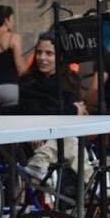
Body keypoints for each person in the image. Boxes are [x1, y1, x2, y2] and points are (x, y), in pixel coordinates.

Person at [19, 32, 93, 182]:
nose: (42, 58)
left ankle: (40, 161)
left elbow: (69, 117)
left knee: (69, 139)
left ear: (59, 56)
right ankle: (93, 183)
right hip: (34, 135)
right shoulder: (28, 81)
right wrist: (70, 111)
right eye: (39, 52)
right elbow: (32, 112)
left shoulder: (70, 80)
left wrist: (66, 113)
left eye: (49, 53)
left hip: (60, 134)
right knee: (70, 141)